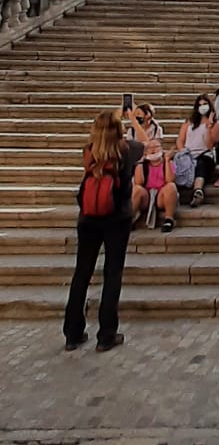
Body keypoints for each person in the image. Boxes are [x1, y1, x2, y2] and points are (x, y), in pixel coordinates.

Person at [63, 112, 135, 352]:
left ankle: (72, 333)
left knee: (82, 273)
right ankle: (106, 335)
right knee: (112, 274)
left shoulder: (88, 151)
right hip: (117, 218)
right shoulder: (126, 151)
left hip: (88, 218)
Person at [127, 104, 177, 233]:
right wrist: (140, 161)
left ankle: (169, 219)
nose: (154, 150)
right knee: (136, 189)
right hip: (147, 195)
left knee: (171, 187)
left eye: (156, 148)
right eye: (151, 149)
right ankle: (129, 220)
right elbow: (138, 183)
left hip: (161, 195)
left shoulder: (166, 160)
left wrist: (167, 160)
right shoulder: (143, 163)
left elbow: (170, 180)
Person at [174, 94, 219, 207]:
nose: (202, 107)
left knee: (201, 164)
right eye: (200, 105)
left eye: (205, 104)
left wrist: (209, 127)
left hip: (205, 154)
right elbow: (180, 140)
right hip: (187, 153)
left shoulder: (216, 124)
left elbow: (210, 145)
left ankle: (198, 191)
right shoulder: (189, 122)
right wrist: (183, 152)